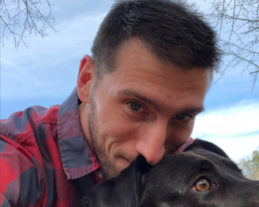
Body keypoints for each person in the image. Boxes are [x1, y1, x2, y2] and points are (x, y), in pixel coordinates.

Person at [0, 0, 220, 206]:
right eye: (135, 106)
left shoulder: (195, 162)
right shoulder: (20, 158)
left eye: (182, 117)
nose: (153, 153)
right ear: (86, 81)